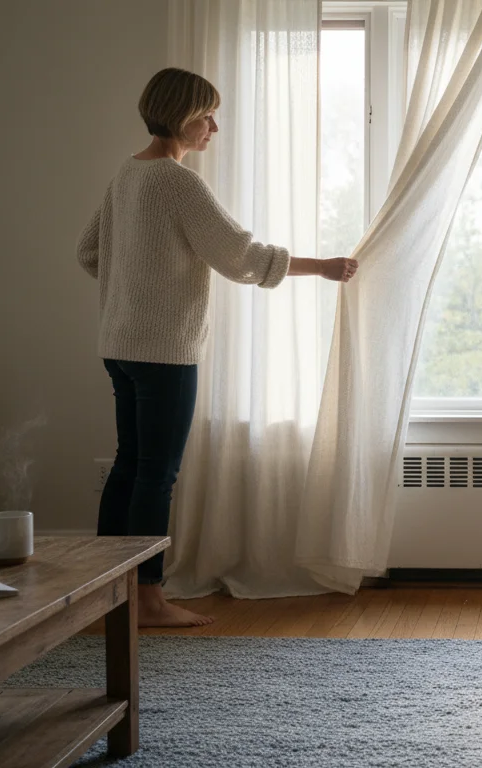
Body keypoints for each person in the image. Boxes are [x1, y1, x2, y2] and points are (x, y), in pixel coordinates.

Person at [76, 68, 358, 627]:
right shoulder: (177, 182)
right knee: (156, 475)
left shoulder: (127, 174)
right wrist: (322, 267)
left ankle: (108, 596)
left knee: (128, 466)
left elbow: (89, 252)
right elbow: (242, 257)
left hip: (119, 345)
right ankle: (149, 601)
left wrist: (133, 285)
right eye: (208, 115)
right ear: (183, 116)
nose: (215, 127)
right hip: (163, 351)